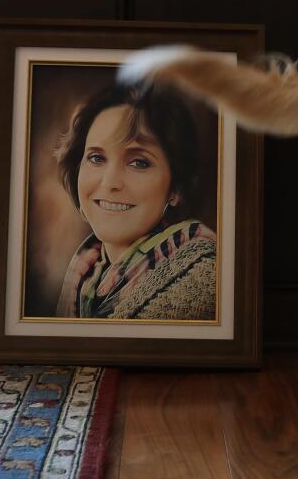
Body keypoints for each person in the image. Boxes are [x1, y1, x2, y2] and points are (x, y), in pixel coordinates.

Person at [53, 85, 217, 321]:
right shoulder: (83, 276)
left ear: (175, 188)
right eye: (96, 158)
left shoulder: (203, 280)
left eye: (139, 162)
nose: (110, 183)